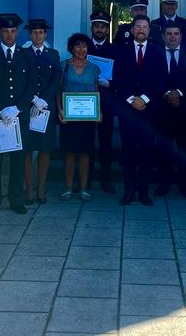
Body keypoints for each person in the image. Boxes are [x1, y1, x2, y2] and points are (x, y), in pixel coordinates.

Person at [0, 13, 36, 216]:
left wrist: (17, 108)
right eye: (5, 31)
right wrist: (1, 109)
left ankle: (16, 200)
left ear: (17, 32)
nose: (9, 35)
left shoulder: (26, 55)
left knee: (18, 161)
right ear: (0, 32)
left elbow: (32, 86)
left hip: (19, 117)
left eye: (12, 31)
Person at [112, 15, 166, 206]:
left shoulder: (158, 52)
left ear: (149, 30)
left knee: (146, 152)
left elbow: (161, 80)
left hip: (148, 110)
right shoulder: (121, 51)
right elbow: (117, 79)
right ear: (133, 29)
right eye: (138, 26)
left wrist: (144, 99)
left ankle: (143, 191)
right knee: (128, 153)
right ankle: (129, 191)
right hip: (128, 110)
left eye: (145, 26)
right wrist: (131, 99)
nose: (141, 29)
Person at [154, 23, 186, 198]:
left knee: (184, 148)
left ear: (181, 36)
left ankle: (184, 184)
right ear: (163, 36)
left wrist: (178, 93)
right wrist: (167, 93)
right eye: (169, 34)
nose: (172, 37)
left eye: (176, 33)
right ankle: (164, 183)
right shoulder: (155, 53)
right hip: (162, 108)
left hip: (184, 107)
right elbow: (152, 77)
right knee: (163, 147)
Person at [57, 33, 101, 201]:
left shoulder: (94, 68)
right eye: (78, 45)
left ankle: (83, 189)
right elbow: (58, 91)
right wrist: (60, 110)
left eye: (84, 46)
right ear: (72, 48)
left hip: (88, 118)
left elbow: (96, 91)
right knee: (69, 153)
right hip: (69, 118)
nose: (81, 49)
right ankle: (68, 188)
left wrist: (99, 112)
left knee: (85, 153)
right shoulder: (64, 66)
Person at [23, 18, 61, 204]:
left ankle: (41, 188)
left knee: (45, 150)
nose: (38, 35)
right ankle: (28, 189)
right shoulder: (23, 53)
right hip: (28, 108)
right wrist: (33, 98)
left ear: (45, 35)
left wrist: (43, 99)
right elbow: (21, 80)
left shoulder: (53, 55)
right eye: (34, 32)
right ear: (30, 35)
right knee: (28, 150)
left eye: (41, 32)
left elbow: (56, 80)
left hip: (46, 110)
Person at [89, 11, 117, 193]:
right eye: (97, 26)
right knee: (86, 142)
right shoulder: (83, 48)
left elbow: (121, 75)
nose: (100, 29)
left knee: (106, 142)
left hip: (106, 103)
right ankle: (85, 179)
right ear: (92, 27)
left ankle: (105, 180)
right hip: (86, 102)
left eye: (103, 26)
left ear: (108, 29)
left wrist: (110, 82)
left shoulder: (115, 50)